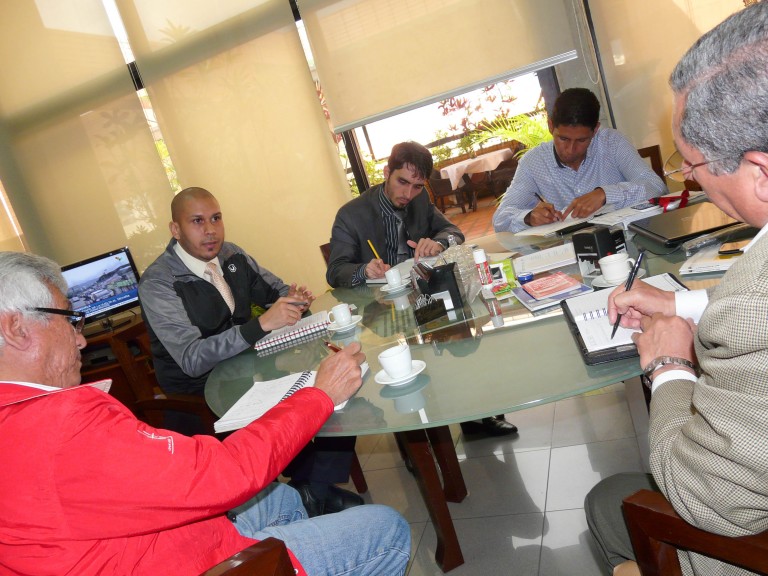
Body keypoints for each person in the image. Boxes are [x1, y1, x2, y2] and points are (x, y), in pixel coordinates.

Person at [0, 251, 411, 576]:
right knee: (387, 528)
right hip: (190, 563)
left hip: (146, 540)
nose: (81, 340)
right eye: (71, 320)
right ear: (17, 328)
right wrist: (319, 395)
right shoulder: (60, 427)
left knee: (280, 497)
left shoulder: (21, 416)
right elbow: (225, 474)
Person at [584, 4, 768, 575]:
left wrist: (669, 365)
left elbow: (706, 499)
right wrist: (675, 302)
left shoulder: (751, 306)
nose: (689, 178)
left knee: (607, 502)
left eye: (692, 163)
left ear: (760, 172)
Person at [139, 187, 361, 517]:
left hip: (250, 366)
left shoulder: (231, 255)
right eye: (197, 221)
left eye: (216, 218)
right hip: (202, 391)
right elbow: (192, 359)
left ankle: (312, 488)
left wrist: (293, 300)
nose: (210, 230)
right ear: (175, 229)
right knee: (301, 406)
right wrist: (261, 325)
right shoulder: (158, 283)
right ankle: (312, 488)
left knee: (339, 388)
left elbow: (275, 291)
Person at [327, 141, 518, 437]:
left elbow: (453, 232)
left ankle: (476, 413)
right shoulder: (351, 215)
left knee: (464, 334)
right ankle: (425, 431)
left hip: (425, 297)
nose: (408, 193)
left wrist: (437, 243)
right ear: (386, 172)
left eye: (417, 186)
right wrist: (363, 270)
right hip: (383, 313)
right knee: (415, 361)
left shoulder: (419, 201)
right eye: (402, 182)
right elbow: (335, 270)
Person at [492, 88, 667, 233]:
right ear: (551, 126)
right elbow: (500, 219)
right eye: (563, 139)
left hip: (627, 238)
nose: (570, 149)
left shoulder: (612, 143)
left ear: (595, 130)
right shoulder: (534, 162)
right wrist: (528, 217)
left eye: (582, 140)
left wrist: (605, 194)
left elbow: (657, 187)